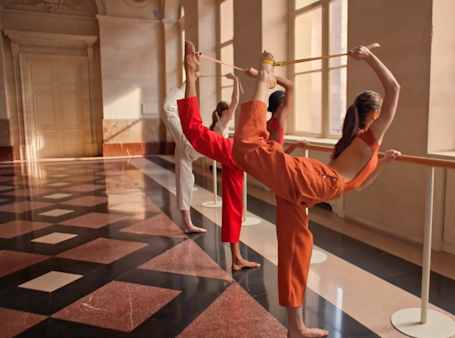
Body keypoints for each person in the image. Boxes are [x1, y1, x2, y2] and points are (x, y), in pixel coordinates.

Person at [231, 47, 401, 338]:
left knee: (295, 252)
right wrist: (369, 57)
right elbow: (394, 88)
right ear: (374, 113)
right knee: (246, 147)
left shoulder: (355, 143)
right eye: (380, 109)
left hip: (309, 190)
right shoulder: (369, 137)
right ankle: (265, 76)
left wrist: (382, 163)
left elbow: (359, 185)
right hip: (316, 181)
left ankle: (296, 328)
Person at [178, 42, 260, 271]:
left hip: (237, 156)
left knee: (234, 205)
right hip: (236, 152)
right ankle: (190, 73)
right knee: (192, 128)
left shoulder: (224, 122)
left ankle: (235, 258)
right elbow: (284, 89)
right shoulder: (226, 121)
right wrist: (264, 72)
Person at [161, 81, 206, 233]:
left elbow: (167, 108)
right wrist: (189, 80)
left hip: (195, 145)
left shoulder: (223, 121)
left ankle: (187, 223)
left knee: (168, 110)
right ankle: (187, 224)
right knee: (184, 179)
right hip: (192, 146)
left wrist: (190, 80)